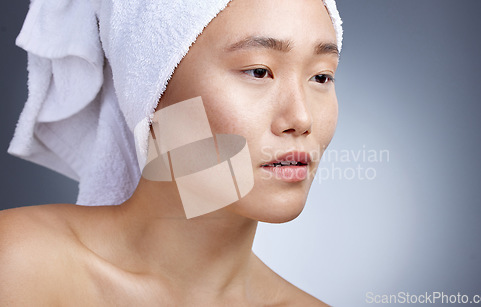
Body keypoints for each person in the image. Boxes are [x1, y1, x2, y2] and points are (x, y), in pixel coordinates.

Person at [0, 0, 342, 305]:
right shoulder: (18, 263)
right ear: (152, 90)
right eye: (258, 71)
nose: (301, 118)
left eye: (322, 77)